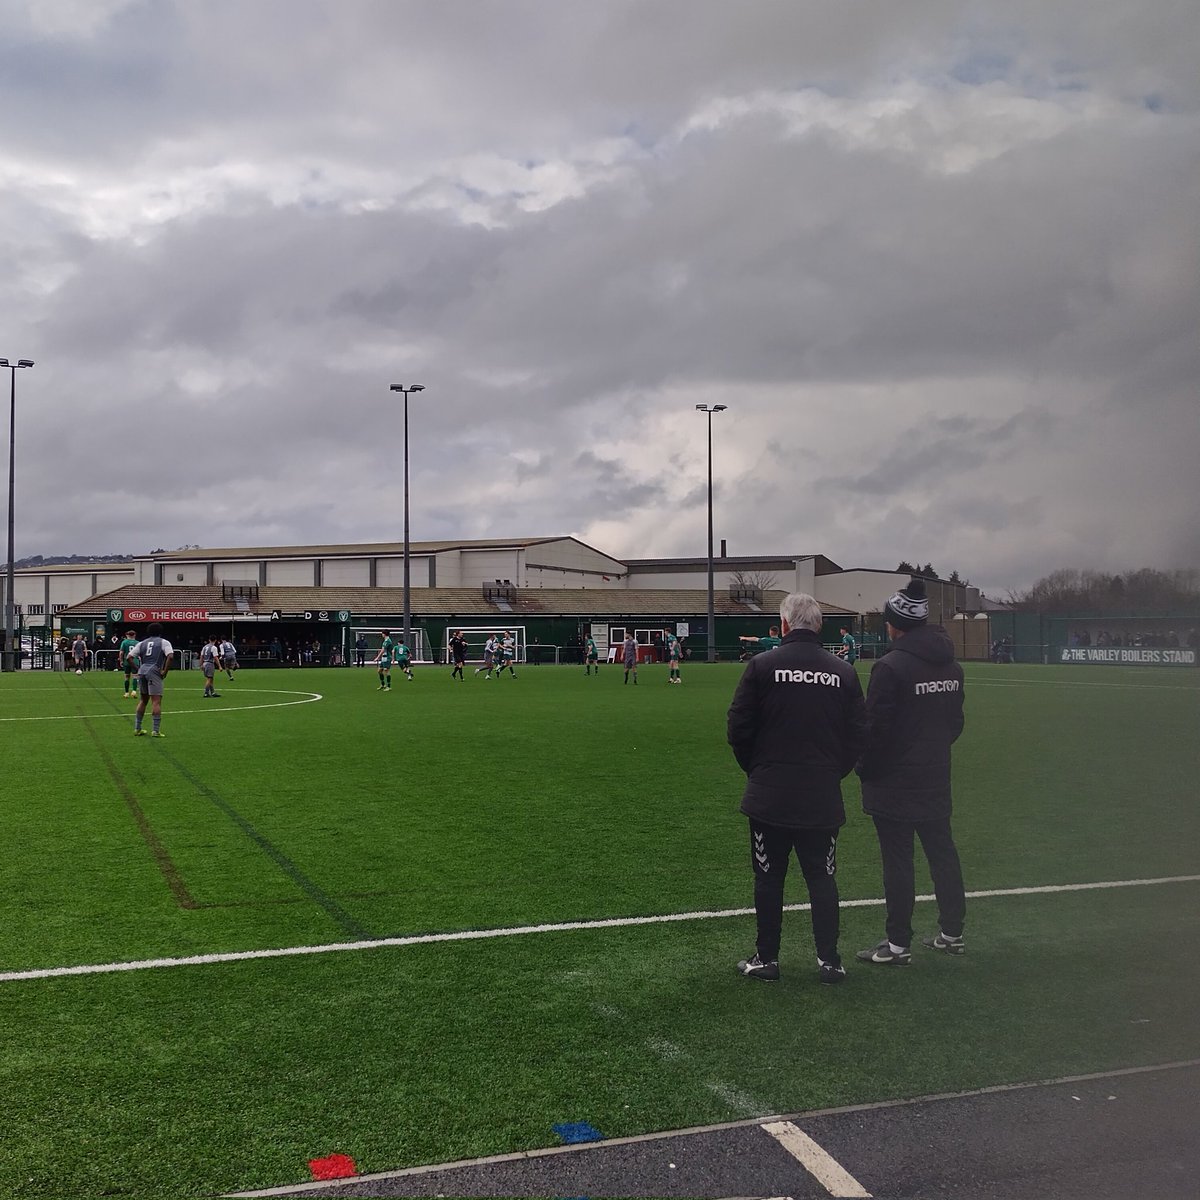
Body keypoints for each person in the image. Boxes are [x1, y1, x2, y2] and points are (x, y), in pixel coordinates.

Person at [727, 592, 866, 985]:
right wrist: (830, 772)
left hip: (769, 795)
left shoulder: (761, 666)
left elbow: (738, 728)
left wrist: (758, 770)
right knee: (822, 877)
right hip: (820, 796)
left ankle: (767, 959)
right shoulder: (843, 672)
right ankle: (830, 961)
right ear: (819, 626)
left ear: (784, 625)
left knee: (769, 877)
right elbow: (858, 736)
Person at [855, 578, 967, 966]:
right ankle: (952, 933)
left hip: (894, 783)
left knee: (898, 861)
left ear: (895, 624)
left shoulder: (890, 667)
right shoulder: (951, 666)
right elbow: (955, 725)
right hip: (935, 777)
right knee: (942, 853)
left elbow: (874, 733)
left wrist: (865, 771)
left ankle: (898, 944)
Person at [131, 622, 174, 738]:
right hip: (154, 670)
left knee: (143, 700)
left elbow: (129, 657)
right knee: (156, 701)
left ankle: (137, 728)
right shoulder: (164, 642)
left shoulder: (141, 643)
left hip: (143, 671)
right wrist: (165, 671)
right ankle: (155, 730)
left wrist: (138, 668)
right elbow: (170, 656)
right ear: (160, 632)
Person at [118, 628, 140, 697]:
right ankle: (134, 691)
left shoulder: (124, 642)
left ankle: (126, 693)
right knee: (135, 676)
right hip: (135, 661)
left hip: (127, 661)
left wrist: (121, 661)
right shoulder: (138, 643)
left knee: (127, 676)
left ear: (127, 635)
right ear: (134, 635)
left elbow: (121, 652)